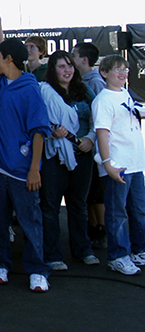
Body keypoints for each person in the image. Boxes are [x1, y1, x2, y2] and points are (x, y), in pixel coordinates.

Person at [0, 38, 52, 292]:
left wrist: (34, 169)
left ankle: (38, 270)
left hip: (22, 171)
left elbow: (39, 131)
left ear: (9, 59)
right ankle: (0, 264)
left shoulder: (30, 88)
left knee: (30, 221)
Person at [38, 51, 99, 270]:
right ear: (53, 70)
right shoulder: (44, 91)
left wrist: (91, 140)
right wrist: (51, 132)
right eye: (62, 66)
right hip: (55, 156)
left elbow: (98, 119)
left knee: (78, 205)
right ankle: (53, 255)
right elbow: (37, 120)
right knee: (51, 206)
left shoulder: (85, 91)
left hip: (83, 156)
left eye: (70, 65)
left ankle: (83, 250)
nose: (67, 70)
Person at [93, 55, 145, 275]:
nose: (123, 73)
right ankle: (118, 256)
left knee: (139, 210)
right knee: (117, 213)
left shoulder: (125, 93)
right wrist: (108, 165)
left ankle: (138, 250)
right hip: (118, 166)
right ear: (104, 73)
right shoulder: (103, 100)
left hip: (135, 164)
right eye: (117, 69)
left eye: (125, 69)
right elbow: (102, 135)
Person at [71, 42, 107, 247]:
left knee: (95, 192)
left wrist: (94, 142)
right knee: (90, 193)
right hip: (88, 150)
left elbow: (99, 119)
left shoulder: (94, 84)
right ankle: (93, 227)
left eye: (74, 56)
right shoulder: (83, 81)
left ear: (84, 60)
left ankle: (100, 229)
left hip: (94, 151)